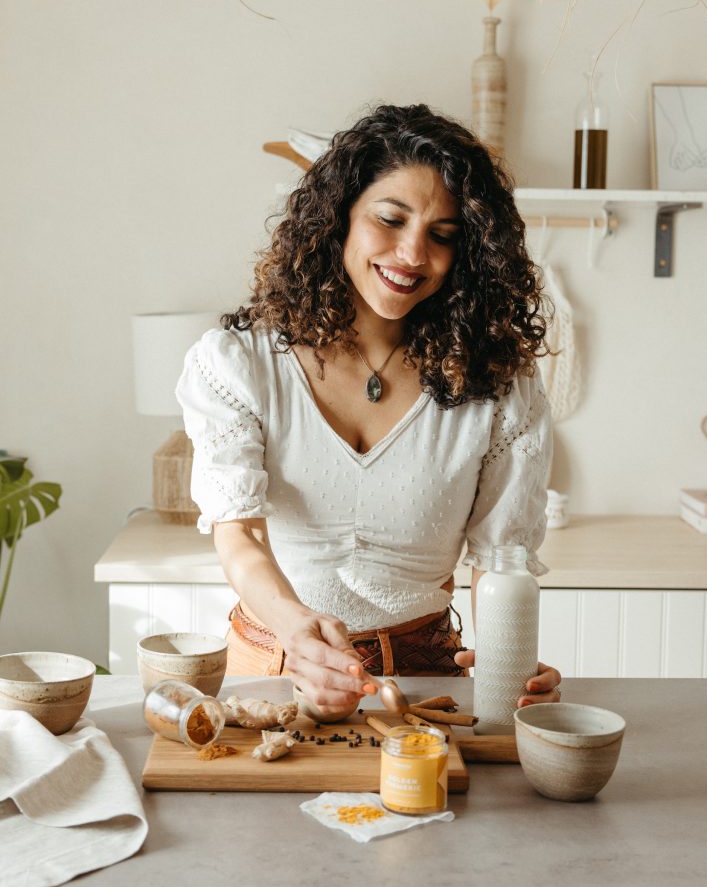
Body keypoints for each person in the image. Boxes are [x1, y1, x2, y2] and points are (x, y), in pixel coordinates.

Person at [176, 102, 561, 718]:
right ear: (340, 219)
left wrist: (507, 659)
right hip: (270, 663)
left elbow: (503, 562)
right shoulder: (238, 364)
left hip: (426, 673)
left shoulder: (499, 386)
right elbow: (239, 531)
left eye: (443, 235)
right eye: (390, 218)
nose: (413, 254)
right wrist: (299, 632)